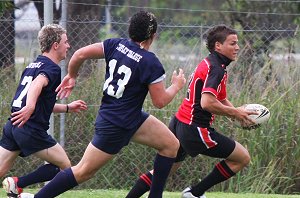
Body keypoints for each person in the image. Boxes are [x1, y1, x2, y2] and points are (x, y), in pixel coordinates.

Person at [18, 10, 186, 198]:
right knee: (83, 171)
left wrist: (72, 75)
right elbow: (160, 101)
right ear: (153, 36)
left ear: (130, 30)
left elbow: (80, 54)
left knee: (171, 145)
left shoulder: (115, 44)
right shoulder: (150, 61)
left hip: (130, 118)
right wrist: (176, 86)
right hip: (116, 124)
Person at [126, 25, 258, 198]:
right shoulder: (217, 69)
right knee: (242, 158)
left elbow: (221, 98)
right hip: (195, 129)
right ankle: (195, 193)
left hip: (180, 122)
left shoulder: (210, 62)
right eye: (233, 43)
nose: (237, 47)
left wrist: (238, 114)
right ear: (218, 46)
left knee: (163, 171)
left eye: (237, 43)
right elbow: (207, 103)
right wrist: (235, 113)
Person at [0, 24, 88, 198]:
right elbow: (37, 84)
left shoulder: (33, 64)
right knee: (65, 168)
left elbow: (42, 102)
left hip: (14, 125)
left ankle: (16, 184)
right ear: (55, 45)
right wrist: (30, 107)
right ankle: (20, 184)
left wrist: (68, 108)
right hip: (29, 128)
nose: (68, 46)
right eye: (66, 42)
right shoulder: (52, 68)